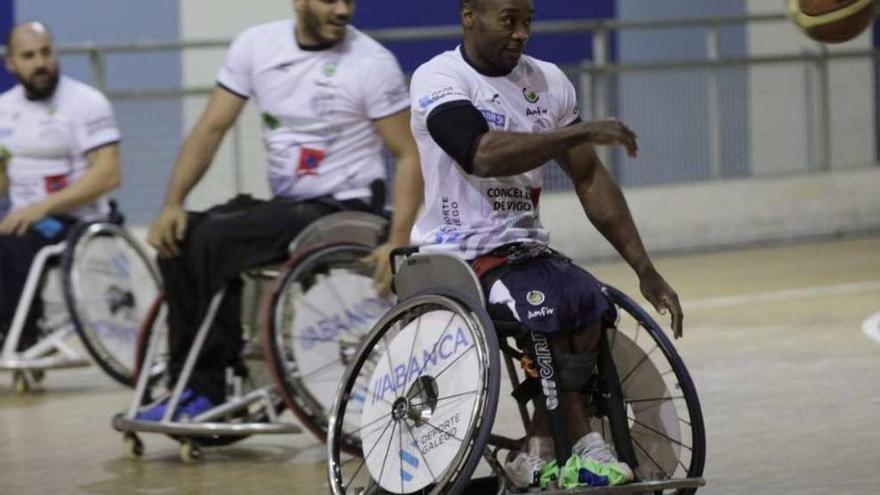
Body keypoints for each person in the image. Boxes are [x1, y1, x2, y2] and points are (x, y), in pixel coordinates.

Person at [408, 0, 683, 489]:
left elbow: (589, 176)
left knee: (590, 301)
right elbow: (480, 153)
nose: (520, 34)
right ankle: (580, 445)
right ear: (469, 15)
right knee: (547, 308)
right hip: (456, 253)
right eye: (508, 20)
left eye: (528, 22)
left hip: (523, 250)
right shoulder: (439, 78)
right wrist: (575, 132)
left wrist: (645, 268)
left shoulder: (550, 82)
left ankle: (539, 449)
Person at [139, 0, 421, 420]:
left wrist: (398, 240)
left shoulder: (371, 63)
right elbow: (211, 128)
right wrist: (172, 204)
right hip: (288, 205)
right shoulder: (256, 46)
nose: (343, 10)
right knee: (180, 238)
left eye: (349, 0)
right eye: (330, 0)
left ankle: (206, 389)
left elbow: (409, 154)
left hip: (342, 208)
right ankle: (188, 380)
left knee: (217, 240)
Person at [0, 22, 122, 350]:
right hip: (22, 218)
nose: (40, 63)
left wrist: (42, 207)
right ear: (10, 63)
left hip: (75, 220)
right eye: (28, 56)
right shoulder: (4, 109)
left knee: (11, 242)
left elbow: (109, 174)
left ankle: (20, 335)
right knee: (13, 234)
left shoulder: (85, 102)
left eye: (46, 52)